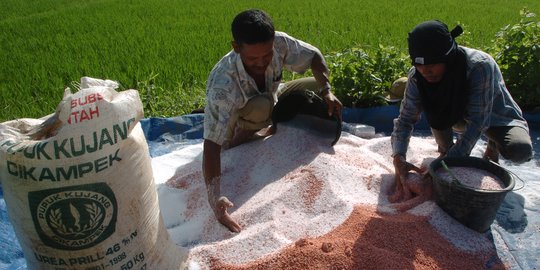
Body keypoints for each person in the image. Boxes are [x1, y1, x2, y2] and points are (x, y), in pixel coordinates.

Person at [202, 9, 343, 232]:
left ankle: (273, 120)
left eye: (266, 55)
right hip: (240, 114)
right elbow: (211, 145)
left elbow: (314, 56)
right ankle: (243, 136)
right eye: (253, 58)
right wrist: (215, 196)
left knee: (314, 86)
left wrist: (326, 91)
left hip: (272, 95)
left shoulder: (279, 42)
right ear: (236, 47)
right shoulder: (223, 86)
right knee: (262, 107)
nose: (262, 63)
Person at [390, 20, 533, 202]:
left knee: (519, 150)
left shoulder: (479, 67)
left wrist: (446, 164)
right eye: (420, 65)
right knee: (446, 152)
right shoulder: (418, 76)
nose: (426, 70)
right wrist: (399, 157)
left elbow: (478, 122)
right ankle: (446, 150)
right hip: (456, 116)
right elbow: (405, 120)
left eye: (432, 64)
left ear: (447, 58)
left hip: (496, 117)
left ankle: (492, 148)